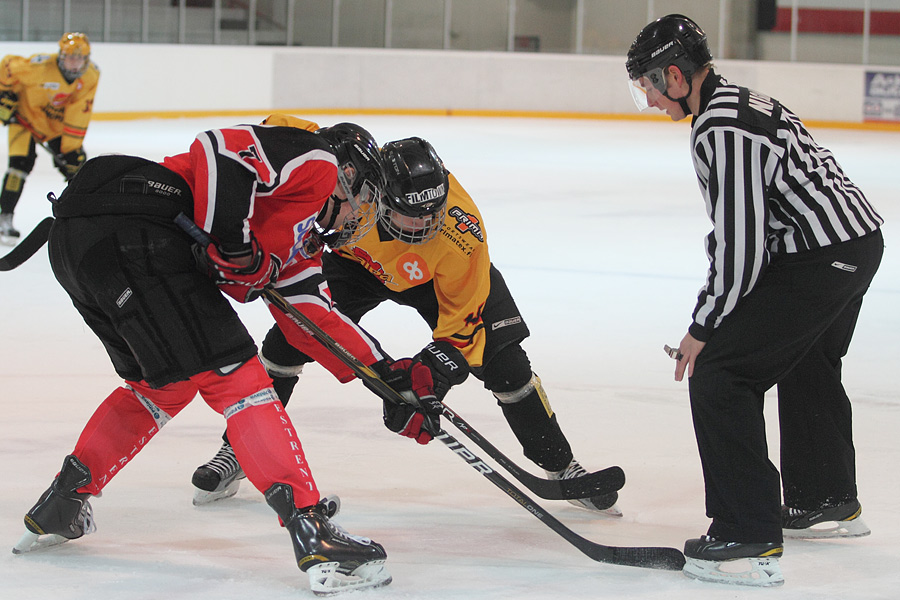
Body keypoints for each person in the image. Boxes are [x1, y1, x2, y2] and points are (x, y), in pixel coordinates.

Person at [13, 114, 442, 595]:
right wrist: (235, 247)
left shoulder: (298, 241)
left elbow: (312, 318)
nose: (362, 211)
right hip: (138, 230)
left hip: (82, 245)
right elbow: (222, 148)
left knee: (161, 388)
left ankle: (61, 504)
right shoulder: (317, 161)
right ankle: (315, 536)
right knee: (241, 382)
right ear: (350, 176)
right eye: (366, 197)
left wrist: (385, 378)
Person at [191, 121, 620, 516]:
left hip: (433, 281)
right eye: (408, 215)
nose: (421, 226)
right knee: (288, 340)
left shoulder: (459, 237)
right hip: (357, 263)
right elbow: (274, 135)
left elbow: (462, 329)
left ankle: (561, 466)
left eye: (430, 216)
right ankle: (238, 451)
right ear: (376, 188)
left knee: (507, 364)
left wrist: (432, 374)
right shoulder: (353, 183)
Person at [626, 14, 884, 587]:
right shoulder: (739, 100)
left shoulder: (719, 127)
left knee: (720, 376)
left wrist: (705, 325)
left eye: (647, 84)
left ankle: (747, 535)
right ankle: (825, 499)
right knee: (807, 362)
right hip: (855, 243)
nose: (646, 98)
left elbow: (741, 243)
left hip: (822, 256)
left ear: (675, 75)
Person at [0, 32, 98, 244]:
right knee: (19, 166)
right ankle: (4, 219)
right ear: (61, 55)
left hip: (55, 126)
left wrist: (71, 149)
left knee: (76, 167)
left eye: (79, 58)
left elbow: (79, 114)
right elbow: (7, 65)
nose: (74, 63)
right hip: (25, 119)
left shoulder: (90, 76)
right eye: (70, 57)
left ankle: (81, 220)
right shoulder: (40, 66)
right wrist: (4, 95)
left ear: (86, 59)